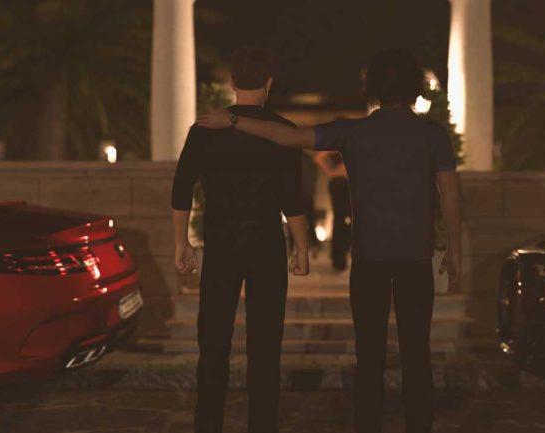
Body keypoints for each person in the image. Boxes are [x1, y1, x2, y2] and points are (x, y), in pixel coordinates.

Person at [197, 48, 462, 433]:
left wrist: (234, 120)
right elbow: (450, 194)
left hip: (369, 262)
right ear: (414, 87)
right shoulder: (432, 135)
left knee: (369, 358)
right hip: (415, 260)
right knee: (416, 355)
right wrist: (454, 248)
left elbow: (289, 137)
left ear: (372, 87)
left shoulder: (352, 132)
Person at [171, 46, 310, 433]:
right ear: (269, 82)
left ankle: (208, 424)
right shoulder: (281, 130)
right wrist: (301, 248)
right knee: (265, 346)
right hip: (265, 242)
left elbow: (182, 188)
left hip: (221, 241)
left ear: (232, 82)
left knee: (213, 343)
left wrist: (181, 242)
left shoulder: (204, 129)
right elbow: (292, 198)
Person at [314, 150, 351, 270]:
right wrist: (333, 172)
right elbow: (319, 158)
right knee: (341, 219)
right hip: (340, 183)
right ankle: (339, 257)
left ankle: (342, 252)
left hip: (351, 184)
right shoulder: (339, 143)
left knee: (347, 219)